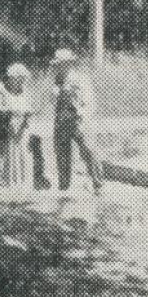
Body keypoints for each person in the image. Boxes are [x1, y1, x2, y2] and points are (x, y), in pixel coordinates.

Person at [50, 48, 102, 194]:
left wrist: (83, 117)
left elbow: (90, 102)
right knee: (62, 153)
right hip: (61, 121)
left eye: (61, 64)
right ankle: (64, 187)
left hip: (79, 121)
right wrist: (54, 97)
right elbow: (53, 104)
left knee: (88, 151)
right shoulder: (56, 82)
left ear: (68, 64)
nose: (58, 67)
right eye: (57, 65)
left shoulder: (81, 79)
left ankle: (98, 183)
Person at [0, 63, 36, 189]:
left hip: (22, 125)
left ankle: (23, 179)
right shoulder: (0, 89)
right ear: (11, 78)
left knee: (25, 139)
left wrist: (24, 120)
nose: (20, 82)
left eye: (22, 79)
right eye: (17, 78)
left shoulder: (25, 91)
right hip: (4, 124)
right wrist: (10, 116)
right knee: (10, 141)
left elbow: (29, 109)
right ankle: (6, 178)